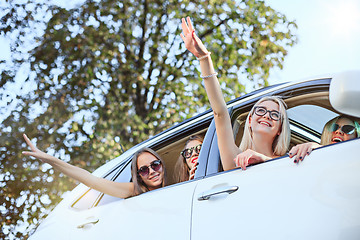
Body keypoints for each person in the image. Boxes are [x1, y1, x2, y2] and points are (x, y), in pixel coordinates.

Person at [180, 17, 290, 171]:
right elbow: (220, 113)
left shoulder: (290, 160)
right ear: (250, 120)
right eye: (261, 110)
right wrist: (204, 58)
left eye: (274, 114)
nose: (266, 116)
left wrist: (264, 159)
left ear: (280, 128)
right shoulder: (237, 160)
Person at [22, 134, 167, 198]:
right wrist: (50, 160)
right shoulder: (136, 191)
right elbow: (89, 179)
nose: (151, 171)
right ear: (139, 177)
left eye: (154, 165)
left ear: (162, 164)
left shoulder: (178, 187)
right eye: (143, 170)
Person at [289, 114, 360, 162]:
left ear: (356, 136)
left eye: (348, 129)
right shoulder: (312, 158)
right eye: (334, 127)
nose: (338, 131)